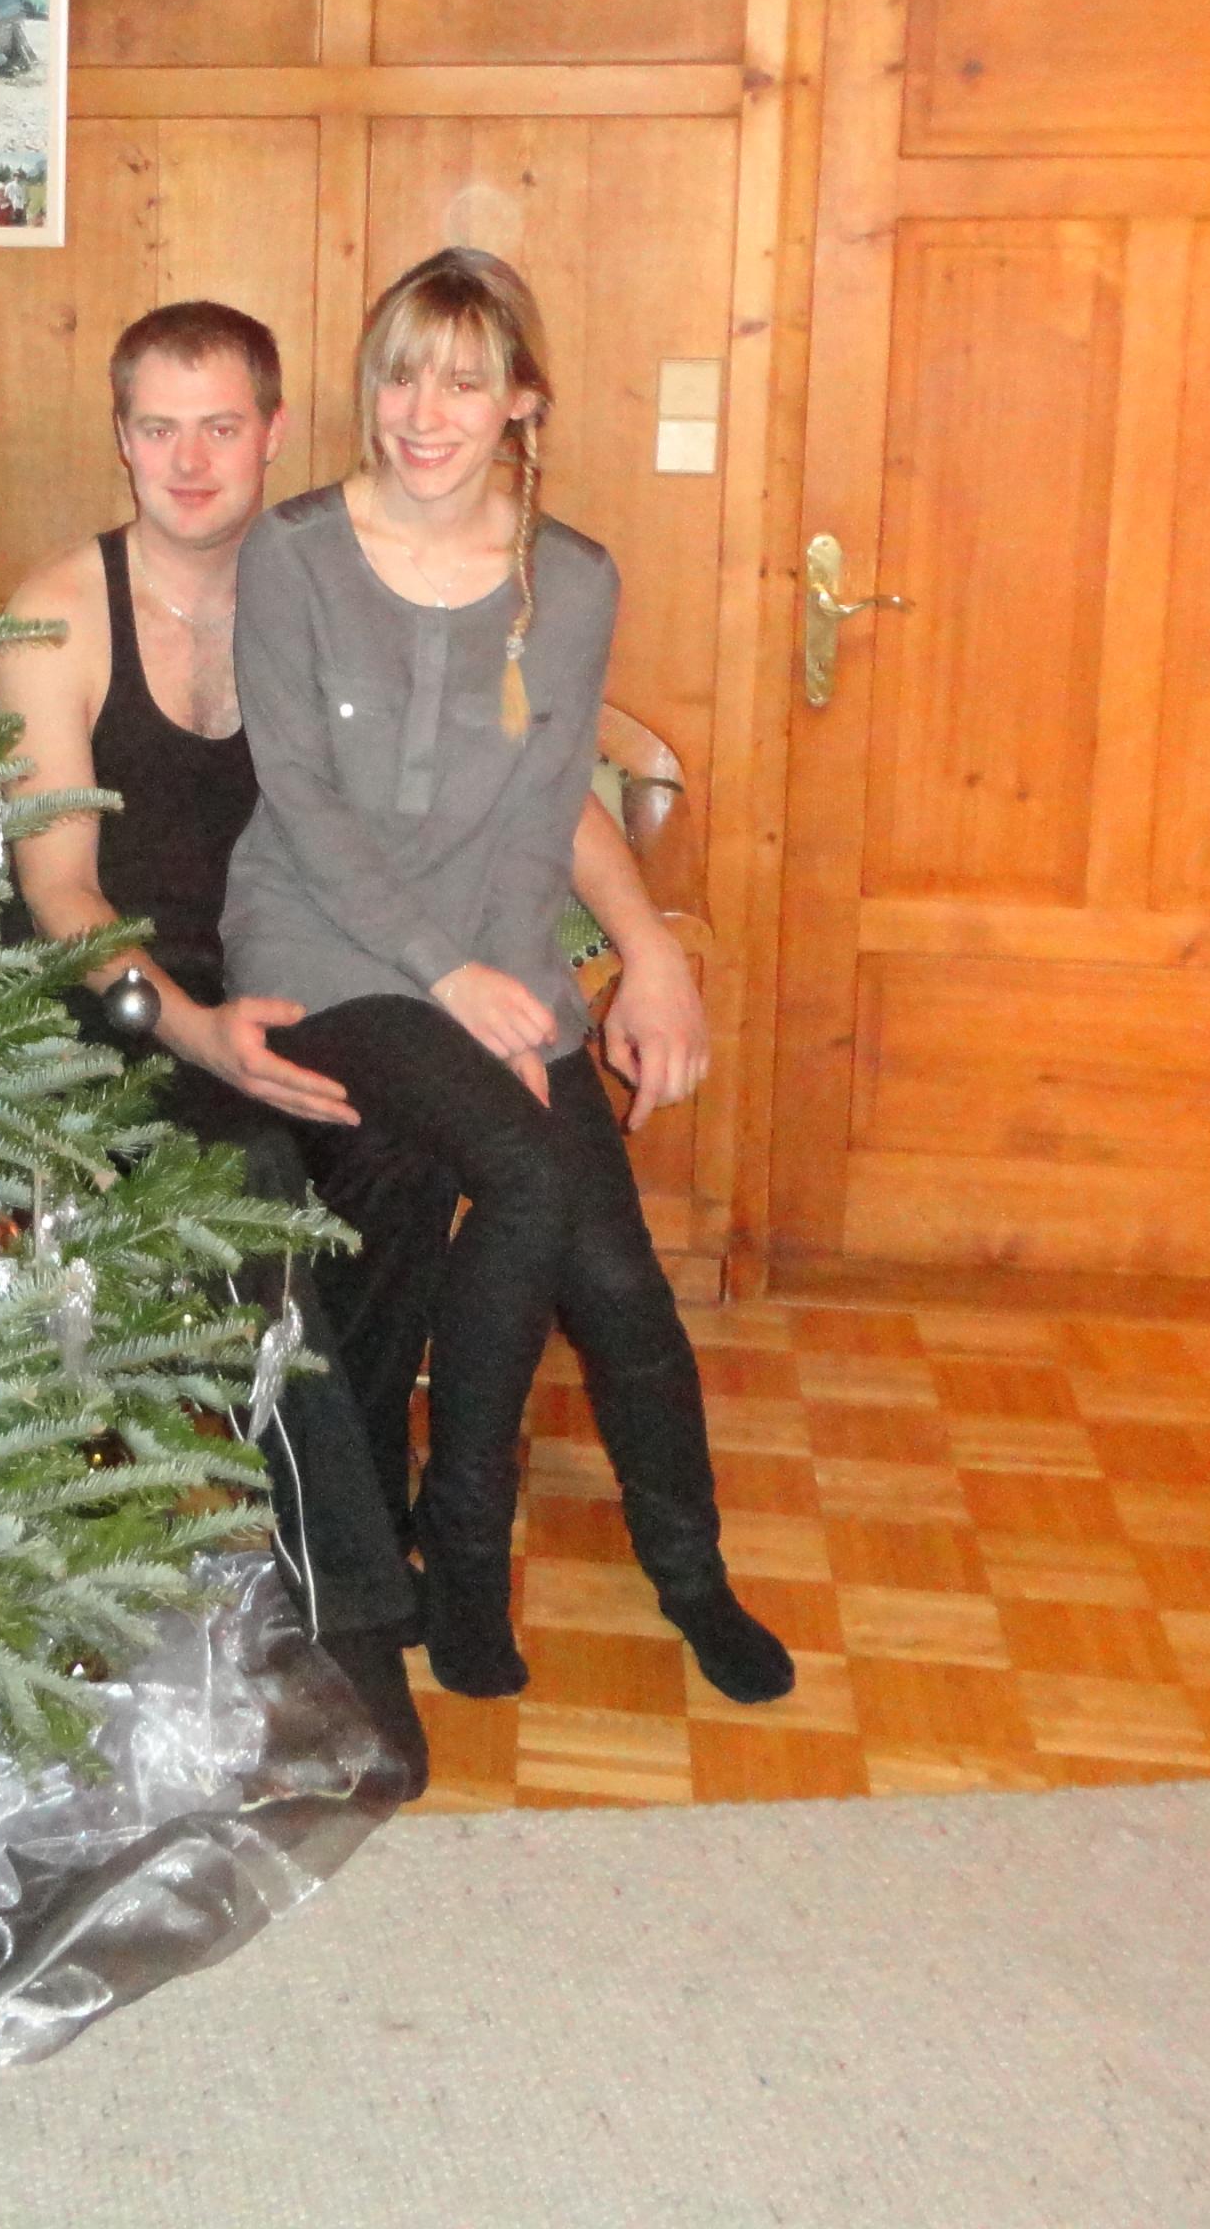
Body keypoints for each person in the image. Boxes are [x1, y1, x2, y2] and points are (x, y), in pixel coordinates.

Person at [228, 250, 795, 1706]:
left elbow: (545, 812)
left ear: (521, 402)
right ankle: (463, 1557)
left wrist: (519, 984)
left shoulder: (573, 579)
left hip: (494, 949)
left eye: (465, 382)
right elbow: (300, 801)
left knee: (616, 1275)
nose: (424, 413)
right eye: (401, 376)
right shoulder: (294, 553)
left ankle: (692, 1574)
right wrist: (447, 979)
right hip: (325, 951)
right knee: (530, 1177)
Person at [0, 300, 454, 1793]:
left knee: (407, 1156)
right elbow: (58, 895)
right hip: (116, 1000)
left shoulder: (327, 595)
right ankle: (358, 1619)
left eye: (220, 427)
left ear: (272, 435)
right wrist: (195, 1030)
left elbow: (442, 801)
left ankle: (351, 1504)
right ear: (120, 439)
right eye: (158, 428)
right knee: (251, 1176)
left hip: (291, 975)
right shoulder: (59, 615)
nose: (188, 462)